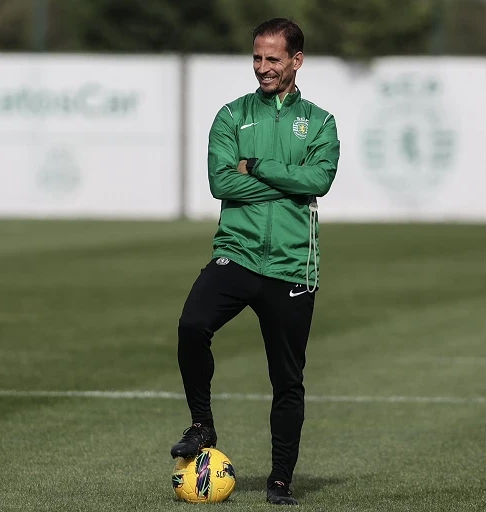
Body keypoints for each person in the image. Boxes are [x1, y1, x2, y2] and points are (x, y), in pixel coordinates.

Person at [169, 18, 340, 506]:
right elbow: (221, 184)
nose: (263, 68)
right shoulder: (231, 115)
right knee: (191, 325)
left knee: (287, 380)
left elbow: (319, 180)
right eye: (257, 58)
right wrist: (290, 178)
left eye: (273, 59)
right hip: (237, 253)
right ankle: (202, 424)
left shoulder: (321, 122)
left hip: (292, 266)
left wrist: (257, 165)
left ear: (296, 61)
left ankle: (280, 480)